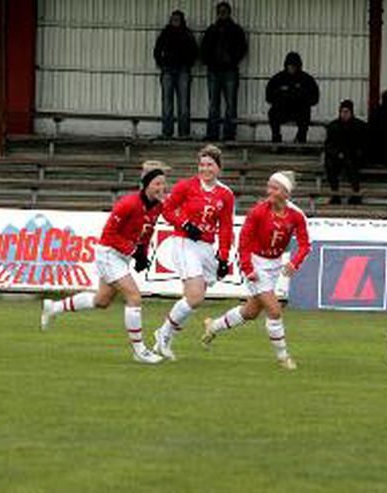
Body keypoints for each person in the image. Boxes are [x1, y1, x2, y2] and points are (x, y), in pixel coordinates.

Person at [40, 162, 169, 364]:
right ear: (146, 185)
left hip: (122, 255)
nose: (161, 188)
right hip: (108, 253)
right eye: (157, 184)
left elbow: (148, 230)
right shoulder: (128, 203)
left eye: (163, 183)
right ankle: (139, 350)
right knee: (134, 297)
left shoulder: (158, 206)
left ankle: (54, 307)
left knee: (102, 301)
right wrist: (134, 250)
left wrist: (142, 250)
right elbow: (108, 235)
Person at [202, 171, 310, 369]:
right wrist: (248, 268)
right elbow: (244, 242)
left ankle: (213, 326)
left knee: (250, 312)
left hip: (275, 265)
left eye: (275, 188)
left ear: (286, 193)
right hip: (255, 265)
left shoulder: (296, 216)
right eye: (269, 186)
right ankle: (283, 357)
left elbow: (304, 244)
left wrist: (295, 262)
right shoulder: (258, 212)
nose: (269, 191)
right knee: (275, 310)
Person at [153, 145, 234, 360]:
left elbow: (226, 227)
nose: (205, 169)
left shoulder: (226, 194)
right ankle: (164, 335)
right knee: (196, 296)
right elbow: (167, 210)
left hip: (206, 248)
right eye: (202, 164)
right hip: (184, 242)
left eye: (210, 164)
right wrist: (185, 224)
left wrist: (224, 257)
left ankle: (164, 333)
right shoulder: (186, 186)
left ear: (218, 167)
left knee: (193, 297)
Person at [201, 2, 247, 141]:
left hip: (230, 71)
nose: (222, 13)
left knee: (230, 104)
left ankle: (229, 134)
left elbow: (243, 48)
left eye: (224, 11)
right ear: (217, 13)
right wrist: (209, 62)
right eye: (220, 11)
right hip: (214, 71)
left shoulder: (236, 30)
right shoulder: (212, 30)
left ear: (229, 12)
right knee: (213, 104)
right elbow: (203, 49)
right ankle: (212, 134)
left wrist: (232, 60)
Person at [154, 10, 198, 139]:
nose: (175, 21)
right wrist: (162, 64)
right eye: (173, 18)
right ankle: (167, 133)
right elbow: (157, 50)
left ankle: (183, 133)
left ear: (182, 20)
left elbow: (195, 51)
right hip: (167, 70)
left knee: (183, 103)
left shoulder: (187, 34)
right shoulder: (165, 33)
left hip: (183, 70)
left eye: (178, 19)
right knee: (167, 103)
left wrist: (188, 64)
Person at [265, 51, 319, 143]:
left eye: (294, 66)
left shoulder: (306, 80)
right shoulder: (277, 79)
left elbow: (315, 98)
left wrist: (303, 100)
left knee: (306, 111)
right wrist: (280, 100)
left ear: (299, 66)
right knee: (272, 112)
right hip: (283, 110)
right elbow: (269, 97)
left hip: (299, 110)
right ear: (286, 65)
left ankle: (301, 137)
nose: (292, 68)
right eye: (290, 65)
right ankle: (276, 137)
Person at [324, 99, 367, 205]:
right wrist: (337, 154)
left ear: (351, 112)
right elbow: (328, 145)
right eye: (342, 111)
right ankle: (335, 194)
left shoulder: (359, 126)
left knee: (352, 164)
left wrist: (353, 153)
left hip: (353, 156)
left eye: (347, 112)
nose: (344, 114)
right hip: (337, 157)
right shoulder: (333, 126)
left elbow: (363, 144)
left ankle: (355, 193)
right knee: (329, 164)